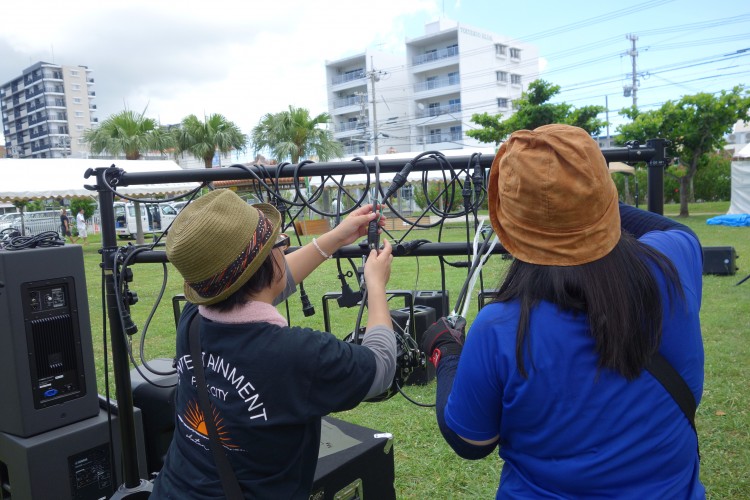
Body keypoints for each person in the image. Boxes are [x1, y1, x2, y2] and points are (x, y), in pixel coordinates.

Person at [421, 124, 705, 498]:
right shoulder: (675, 260)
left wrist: (447, 353)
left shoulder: (500, 326)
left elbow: (471, 442)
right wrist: (580, 195)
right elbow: (669, 227)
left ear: (509, 225)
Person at [151, 189, 396, 499]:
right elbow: (382, 364)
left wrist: (334, 238)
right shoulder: (296, 355)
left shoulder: (192, 319)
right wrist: (375, 285)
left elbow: (261, 285)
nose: (285, 249)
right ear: (267, 263)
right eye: (280, 244)